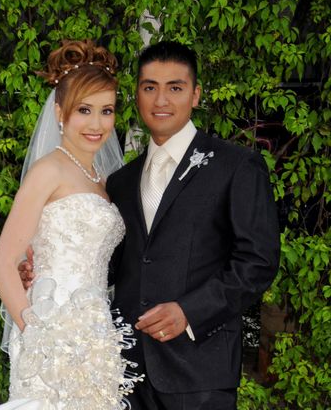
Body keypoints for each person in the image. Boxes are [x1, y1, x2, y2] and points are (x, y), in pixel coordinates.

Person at [21, 41, 280, 409]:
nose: (161, 100)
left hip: (199, 372)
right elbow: (111, 262)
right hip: (122, 369)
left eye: (175, 87)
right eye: (149, 87)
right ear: (137, 94)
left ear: (195, 95)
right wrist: (45, 266)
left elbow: (258, 262)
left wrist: (190, 311)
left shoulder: (236, 166)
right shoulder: (121, 180)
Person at [0, 39, 143, 410]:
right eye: (84, 110)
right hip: (51, 331)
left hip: (97, 333)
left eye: (106, 111)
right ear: (60, 112)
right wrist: (37, 333)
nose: (97, 124)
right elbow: (3, 262)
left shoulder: (105, 179)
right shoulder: (48, 171)